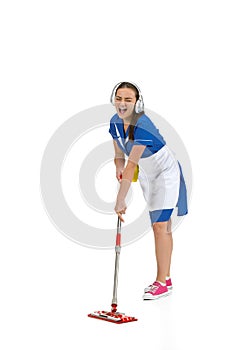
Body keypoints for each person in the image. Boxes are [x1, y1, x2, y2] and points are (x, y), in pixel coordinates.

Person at [109, 82, 188, 300]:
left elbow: (131, 164)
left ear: (137, 102)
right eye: (119, 98)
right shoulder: (115, 122)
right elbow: (119, 154)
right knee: (160, 225)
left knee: (160, 225)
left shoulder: (142, 125)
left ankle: (161, 282)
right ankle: (167, 278)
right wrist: (118, 167)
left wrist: (120, 200)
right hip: (147, 173)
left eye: (128, 100)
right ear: (113, 99)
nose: (122, 104)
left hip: (164, 172)